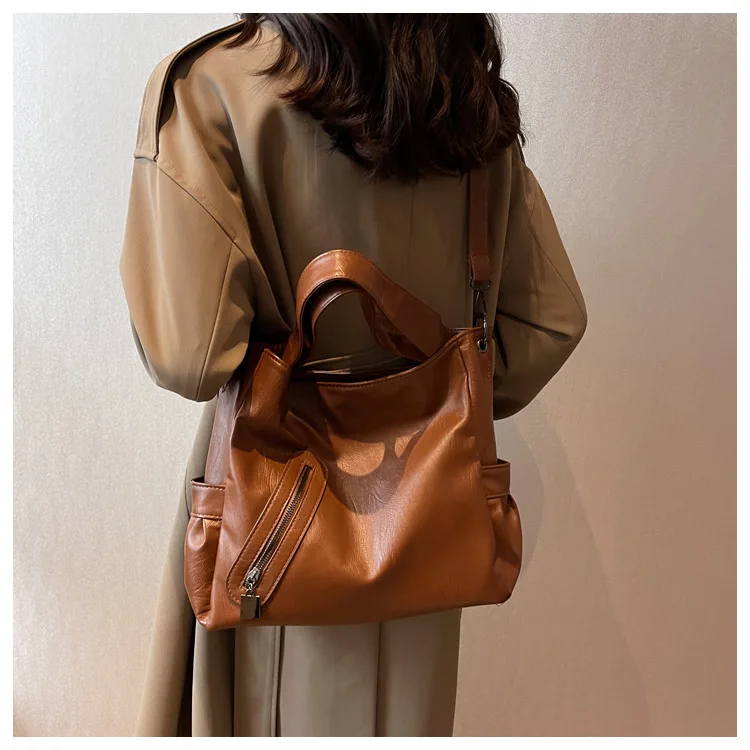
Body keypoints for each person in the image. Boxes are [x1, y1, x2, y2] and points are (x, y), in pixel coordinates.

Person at [119, 13, 587, 737]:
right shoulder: (464, 98)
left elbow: (190, 354)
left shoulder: (213, 88)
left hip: (275, 514)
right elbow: (547, 322)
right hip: (429, 532)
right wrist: (430, 405)